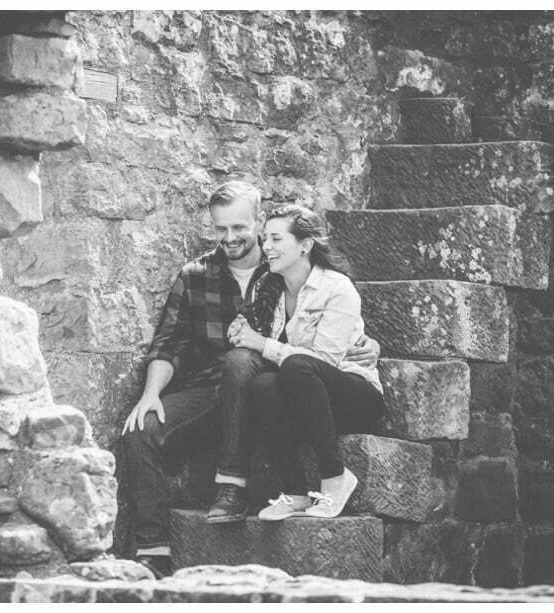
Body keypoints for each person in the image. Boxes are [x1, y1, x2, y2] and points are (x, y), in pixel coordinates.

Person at [120, 182, 379, 578]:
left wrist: (369, 345)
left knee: (243, 361)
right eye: (220, 229)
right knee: (140, 430)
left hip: (275, 382)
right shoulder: (196, 275)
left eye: (239, 228)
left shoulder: (280, 265)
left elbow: (330, 332)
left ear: (259, 223)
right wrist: (150, 394)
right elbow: (168, 343)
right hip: (213, 390)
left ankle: (232, 484)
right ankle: (152, 553)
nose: (230, 238)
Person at [228, 204, 385, 521]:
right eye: (264, 239)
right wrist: (240, 329)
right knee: (263, 384)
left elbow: (323, 360)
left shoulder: (336, 288)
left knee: (297, 365)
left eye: (275, 239)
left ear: (305, 245)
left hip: (354, 398)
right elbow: (254, 336)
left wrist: (263, 344)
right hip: (306, 403)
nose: (266, 247)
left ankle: (335, 478)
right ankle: (296, 492)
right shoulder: (267, 287)